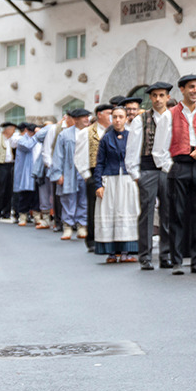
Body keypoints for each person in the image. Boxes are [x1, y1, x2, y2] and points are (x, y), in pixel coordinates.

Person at [166, 75, 196, 274]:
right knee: (176, 212)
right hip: (180, 164)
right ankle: (176, 260)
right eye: (191, 87)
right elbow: (162, 144)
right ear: (182, 90)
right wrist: (169, 166)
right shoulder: (170, 114)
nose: (195, 90)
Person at [132, 83, 174, 269]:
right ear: (151, 98)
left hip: (168, 169)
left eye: (161, 95)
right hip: (147, 168)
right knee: (147, 213)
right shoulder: (140, 120)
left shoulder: (173, 118)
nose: (158, 99)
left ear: (167, 97)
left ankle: (165, 255)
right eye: (155, 95)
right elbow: (132, 147)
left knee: (168, 212)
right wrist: (135, 173)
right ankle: (145, 256)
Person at [94, 106, 139, 264]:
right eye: (115, 117)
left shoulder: (131, 136)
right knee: (110, 214)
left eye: (121, 117)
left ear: (126, 118)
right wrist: (98, 184)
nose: (118, 120)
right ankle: (111, 253)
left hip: (127, 180)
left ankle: (126, 251)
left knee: (126, 212)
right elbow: (99, 162)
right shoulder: (106, 138)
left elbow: (135, 159)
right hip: (110, 179)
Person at [51, 109, 91, 241]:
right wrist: (58, 174)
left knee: (84, 199)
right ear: (75, 119)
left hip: (85, 170)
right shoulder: (65, 135)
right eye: (83, 117)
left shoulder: (91, 133)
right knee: (68, 198)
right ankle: (67, 226)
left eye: (87, 117)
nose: (86, 119)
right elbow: (58, 155)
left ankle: (82, 225)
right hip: (69, 171)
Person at [79, 104, 112, 252]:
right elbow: (79, 156)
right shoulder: (86, 133)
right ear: (99, 114)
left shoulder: (114, 131)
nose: (111, 117)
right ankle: (92, 238)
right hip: (94, 173)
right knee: (93, 208)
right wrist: (87, 176)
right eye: (109, 113)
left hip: (111, 173)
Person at [0, 121, 18, 221]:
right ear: (8, 129)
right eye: (13, 129)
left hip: (11, 164)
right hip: (1, 165)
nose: (14, 132)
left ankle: (7, 211)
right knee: (0, 188)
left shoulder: (14, 139)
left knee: (9, 189)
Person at [13, 122, 40, 226]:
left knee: (37, 196)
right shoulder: (21, 140)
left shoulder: (38, 140)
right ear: (27, 131)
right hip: (26, 173)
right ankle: (22, 216)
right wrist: (37, 135)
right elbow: (28, 146)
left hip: (37, 170)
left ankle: (37, 216)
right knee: (25, 195)